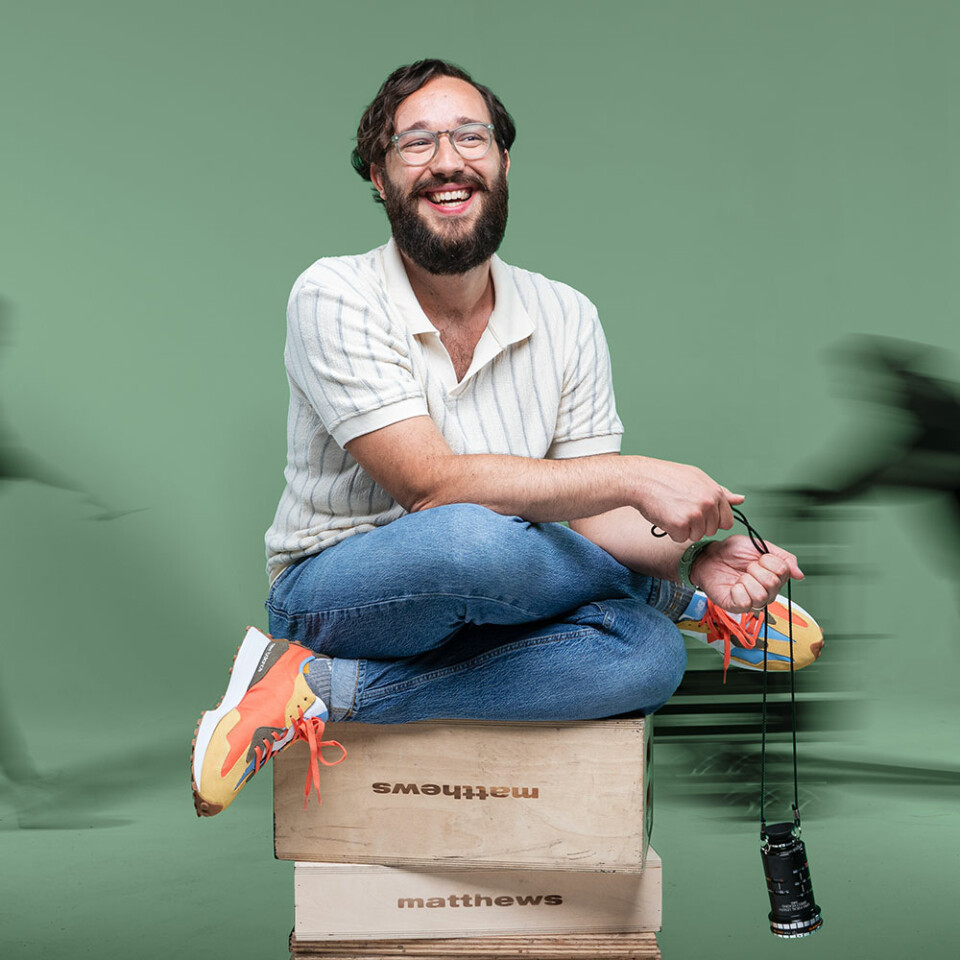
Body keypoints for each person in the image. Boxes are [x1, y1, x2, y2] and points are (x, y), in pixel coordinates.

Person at [190, 59, 822, 818]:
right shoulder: (334, 292)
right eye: (416, 143)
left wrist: (693, 548)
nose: (449, 160)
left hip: (507, 608)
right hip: (343, 600)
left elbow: (592, 511)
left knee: (648, 658)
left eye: (471, 137)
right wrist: (664, 551)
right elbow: (429, 485)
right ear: (378, 177)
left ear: (503, 162)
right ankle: (668, 598)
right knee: (468, 537)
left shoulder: (567, 315)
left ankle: (310, 686)